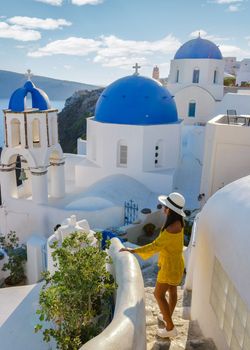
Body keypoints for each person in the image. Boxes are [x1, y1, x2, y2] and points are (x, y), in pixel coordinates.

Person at [119, 192, 185, 338]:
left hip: (169, 267)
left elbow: (154, 246)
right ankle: (167, 316)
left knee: (158, 294)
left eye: (165, 206)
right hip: (177, 263)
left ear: (171, 210)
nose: (163, 208)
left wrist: (133, 250)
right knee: (172, 290)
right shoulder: (179, 223)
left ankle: (170, 328)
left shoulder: (170, 229)